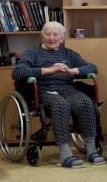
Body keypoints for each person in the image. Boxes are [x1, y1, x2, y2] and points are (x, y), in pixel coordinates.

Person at [12, 21, 100, 168]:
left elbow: (92, 68)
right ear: (42, 36)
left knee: (85, 102)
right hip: (43, 90)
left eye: (55, 34)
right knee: (60, 104)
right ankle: (65, 153)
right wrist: (49, 70)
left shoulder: (68, 54)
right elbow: (18, 72)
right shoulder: (32, 53)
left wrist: (73, 71)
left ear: (62, 37)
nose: (51, 38)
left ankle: (91, 149)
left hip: (67, 89)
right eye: (48, 34)